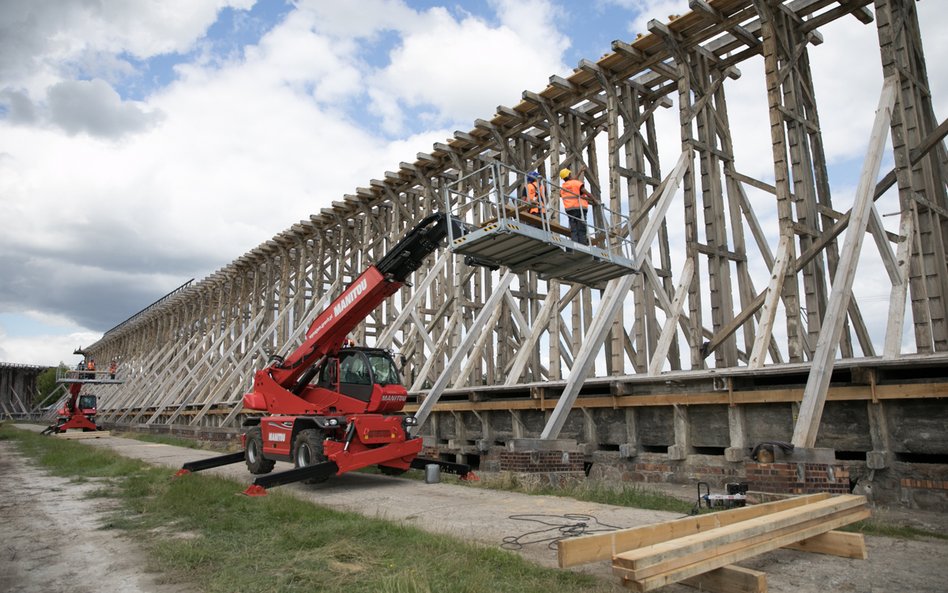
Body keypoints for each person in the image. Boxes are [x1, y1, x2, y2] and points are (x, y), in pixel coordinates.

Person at [559, 167, 595, 245]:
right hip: (579, 208)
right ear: (568, 175)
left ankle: (574, 244)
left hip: (569, 210)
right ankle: (582, 245)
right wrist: (594, 200)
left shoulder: (563, 187)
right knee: (581, 228)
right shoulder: (576, 183)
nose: (571, 175)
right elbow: (587, 193)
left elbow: (571, 182)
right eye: (570, 174)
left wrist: (580, 171)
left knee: (574, 228)